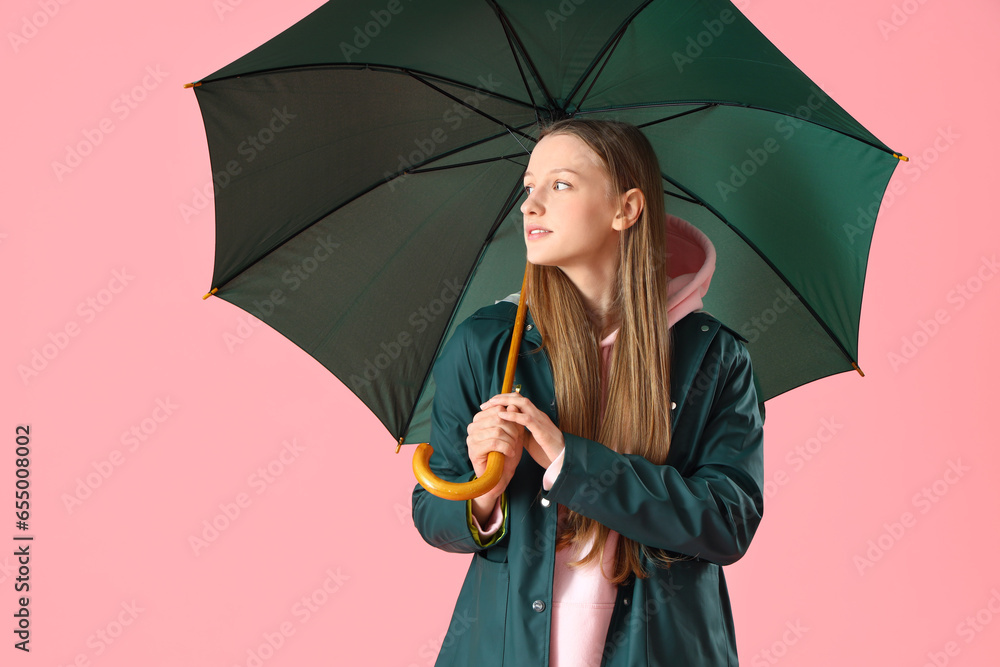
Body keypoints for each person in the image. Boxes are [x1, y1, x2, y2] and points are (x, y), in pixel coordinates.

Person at [411, 118, 765, 666]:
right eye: (529, 186)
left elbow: (727, 522)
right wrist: (484, 493)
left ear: (626, 209)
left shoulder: (713, 357)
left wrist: (568, 461)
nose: (530, 205)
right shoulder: (485, 343)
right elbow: (434, 515)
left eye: (561, 184)